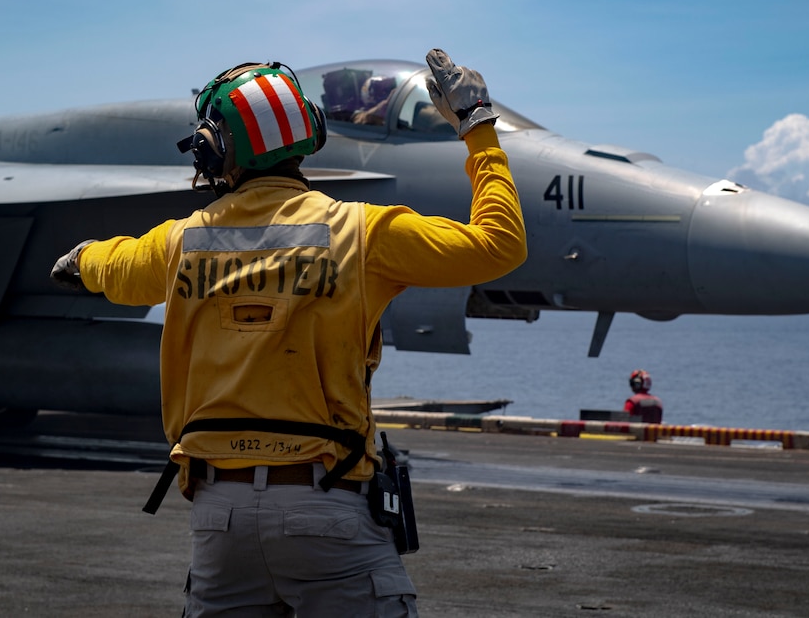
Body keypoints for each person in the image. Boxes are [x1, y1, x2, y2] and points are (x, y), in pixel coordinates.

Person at [50, 50, 526, 616]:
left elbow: (116, 264)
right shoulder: (362, 231)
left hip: (218, 519)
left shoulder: (181, 242)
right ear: (309, 135)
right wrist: (478, 130)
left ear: (213, 149)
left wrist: (83, 260)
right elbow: (500, 244)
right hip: (325, 509)